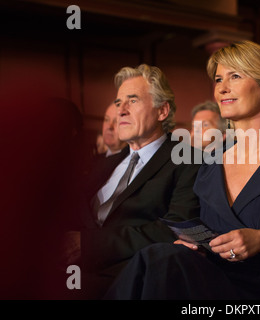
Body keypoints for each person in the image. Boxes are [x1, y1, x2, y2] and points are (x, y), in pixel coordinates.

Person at [104, 40, 260, 300]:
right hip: (212, 279)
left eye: (235, 76)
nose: (222, 88)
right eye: (218, 79)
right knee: (160, 256)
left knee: (160, 260)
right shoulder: (212, 159)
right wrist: (194, 245)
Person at [63, 64, 201, 299]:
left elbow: (176, 230)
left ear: (162, 111)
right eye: (118, 103)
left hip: (125, 278)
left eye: (133, 100)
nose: (121, 111)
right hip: (69, 269)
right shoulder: (105, 164)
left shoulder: (188, 161)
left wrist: (87, 244)